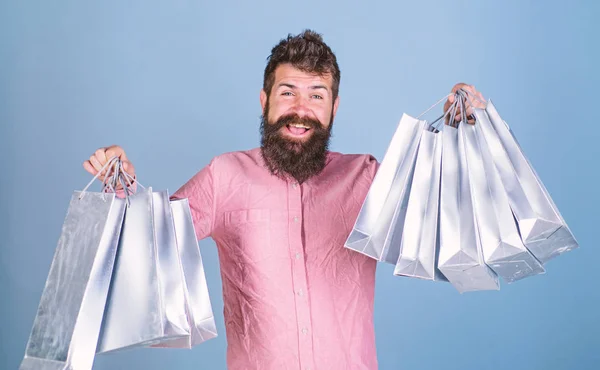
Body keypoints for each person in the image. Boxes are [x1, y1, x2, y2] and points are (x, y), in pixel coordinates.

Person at [84, 30, 486, 370]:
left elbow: (443, 230)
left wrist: (463, 139)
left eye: (316, 95)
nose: (301, 109)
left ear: (333, 107)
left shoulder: (366, 178)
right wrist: (121, 185)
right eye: (288, 92)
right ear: (265, 101)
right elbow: (153, 249)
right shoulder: (225, 176)